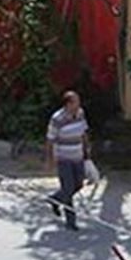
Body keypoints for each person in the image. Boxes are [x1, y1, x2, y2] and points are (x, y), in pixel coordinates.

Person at [45, 91, 89, 230]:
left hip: (78, 156)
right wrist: (50, 159)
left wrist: (86, 151)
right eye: (76, 102)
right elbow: (50, 140)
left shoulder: (80, 113)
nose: (78, 104)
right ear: (68, 104)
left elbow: (83, 132)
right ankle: (71, 221)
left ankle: (55, 198)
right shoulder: (57, 119)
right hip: (64, 158)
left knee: (79, 184)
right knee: (68, 188)